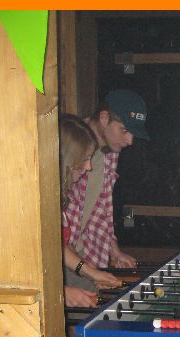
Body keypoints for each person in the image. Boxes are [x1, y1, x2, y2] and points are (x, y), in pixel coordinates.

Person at [64, 90, 149, 288]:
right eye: (124, 130)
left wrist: (114, 251)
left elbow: (101, 208)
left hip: (79, 255)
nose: (130, 141)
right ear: (104, 118)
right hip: (63, 255)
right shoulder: (70, 144)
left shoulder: (111, 152)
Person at [59, 114, 122, 307]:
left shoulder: (57, 194)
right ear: (67, 158)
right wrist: (61, 292)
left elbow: (58, 246)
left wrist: (93, 273)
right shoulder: (35, 197)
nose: (88, 166)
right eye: (85, 159)